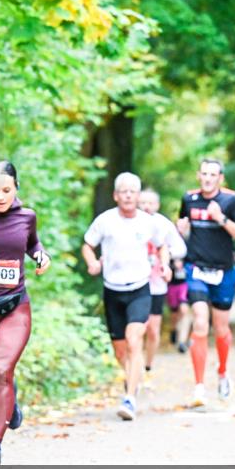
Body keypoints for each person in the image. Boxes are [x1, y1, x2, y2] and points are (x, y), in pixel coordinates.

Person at [0, 160, 50, 469]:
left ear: (16, 189)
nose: (0, 196)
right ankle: (10, 405)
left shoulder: (26, 216)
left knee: (3, 369)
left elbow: (33, 244)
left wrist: (41, 255)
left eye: (6, 190)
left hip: (15, 305)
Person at [82, 172, 169, 421]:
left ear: (138, 196)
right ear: (116, 195)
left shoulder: (147, 222)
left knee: (134, 340)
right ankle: (134, 377)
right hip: (113, 290)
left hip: (140, 289)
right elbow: (88, 244)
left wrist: (165, 265)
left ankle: (129, 398)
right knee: (121, 352)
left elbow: (162, 245)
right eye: (124, 191)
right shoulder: (105, 221)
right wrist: (92, 263)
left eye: (133, 191)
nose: (128, 195)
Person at [176, 158, 235, 406]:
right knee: (200, 322)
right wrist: (180, 230)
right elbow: (183, 230)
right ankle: (198, 388)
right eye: (204, 174)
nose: (208, 178)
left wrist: (221, 219)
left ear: (220, 178)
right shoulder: (188, 199)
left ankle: (222, 372)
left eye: (213, 175)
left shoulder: (231, 201)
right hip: (196, 268)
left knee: (221, 328)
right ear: (198, 175)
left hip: (223, 272)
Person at [137, 189, 186, 376]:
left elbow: (180, 248)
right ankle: (135, 364)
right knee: (136, 327)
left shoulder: (163, 224)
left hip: (156, 283)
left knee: (152, 328)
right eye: (142, 203)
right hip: (134, 281)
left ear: (157, 205)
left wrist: (163, 257)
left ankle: (148, 365)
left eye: (150, 203)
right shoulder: (130, 222)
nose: (146, 206)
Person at [168, 257, 192, 353]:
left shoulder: (187, 251)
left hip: (184, 286)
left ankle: (182, 341)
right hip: (172, 287)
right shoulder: (168, 250)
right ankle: (174, 331)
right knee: (174, 315)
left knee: (184, 310)